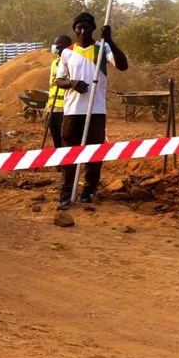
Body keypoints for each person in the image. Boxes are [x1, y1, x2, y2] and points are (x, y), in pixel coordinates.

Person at [54, 12, 129, 210]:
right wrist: (72, 82)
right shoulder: (67, 53)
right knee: (70, 152)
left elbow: (122, 66)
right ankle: (65, 193)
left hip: (96, 110)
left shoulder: (102, 48)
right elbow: (58, 79)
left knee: (94, 153)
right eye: (79, 27)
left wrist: (110, 40)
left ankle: (89, 191)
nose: (83, 31)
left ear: (92, 29)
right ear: (74, 29)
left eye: (87, 27)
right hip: (72, 110)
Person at [44, 35, 72, 149]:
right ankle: (60, 166)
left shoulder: (72, 62)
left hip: (65, 109)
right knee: (56, 142)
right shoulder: (54, 63)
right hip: (52, 108)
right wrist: (47, 109)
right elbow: (52, 88)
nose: (54, 47)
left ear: (64, 47)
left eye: (57, 45)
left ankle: (68, 166)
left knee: (65, 140)